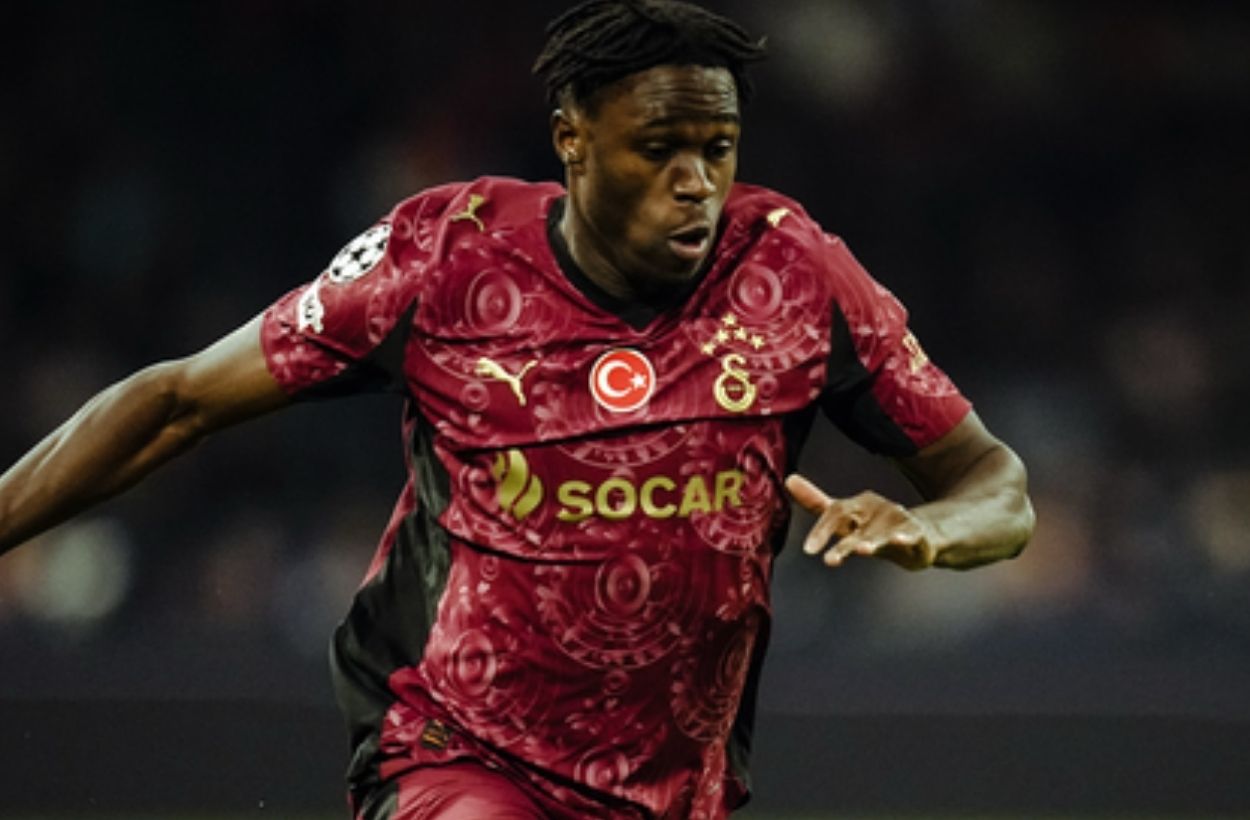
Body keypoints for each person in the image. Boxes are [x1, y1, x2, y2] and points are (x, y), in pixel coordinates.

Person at [0, 1, 1034, 817]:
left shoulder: (793, 274)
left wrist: (933, 531)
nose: (695, 184)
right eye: (658, 149)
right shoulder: (448, 257)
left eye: (716, 149)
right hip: (453, 751)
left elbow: (994, 485)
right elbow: (176, 401)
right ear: (571, 139)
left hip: (676, 786)